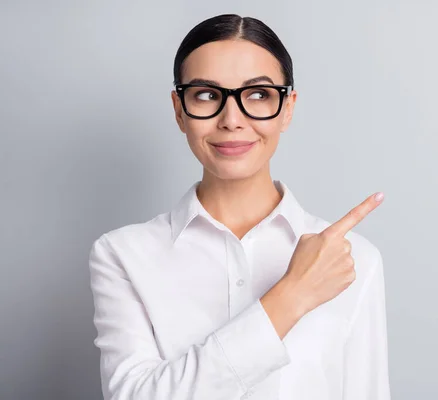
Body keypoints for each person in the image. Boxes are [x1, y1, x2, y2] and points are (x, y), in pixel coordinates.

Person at [89, 13, 390, 400]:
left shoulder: (353, 260)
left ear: (288, 108)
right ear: (179, 110)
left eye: (259, 95)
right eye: (206, 95)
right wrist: (292, 294)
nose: (232, 120)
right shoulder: (122, 255)